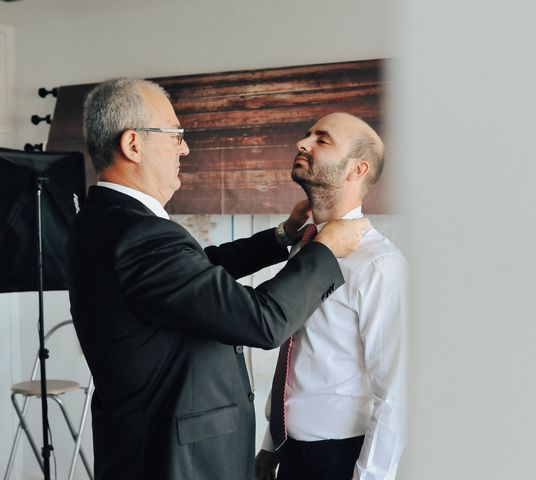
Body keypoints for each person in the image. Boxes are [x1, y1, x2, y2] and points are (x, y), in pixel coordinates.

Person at [66, 78, 371, 480]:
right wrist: (325, 250)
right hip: (174, 461)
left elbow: (194, 275)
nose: (185, 148)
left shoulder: (106, 220)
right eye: (176, 135)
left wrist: (279, 238)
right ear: (134, 145)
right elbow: (261, 322)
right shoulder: (137, 234)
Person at [255, 113, 407, 480]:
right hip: (289, 450)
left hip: (337, 459)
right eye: (307, 134)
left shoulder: (380, 264)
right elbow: (297, 353)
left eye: (322, 140)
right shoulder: (307, 247)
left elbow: (398, 392)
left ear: (357, 169)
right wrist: (269, 443)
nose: (302, 144)